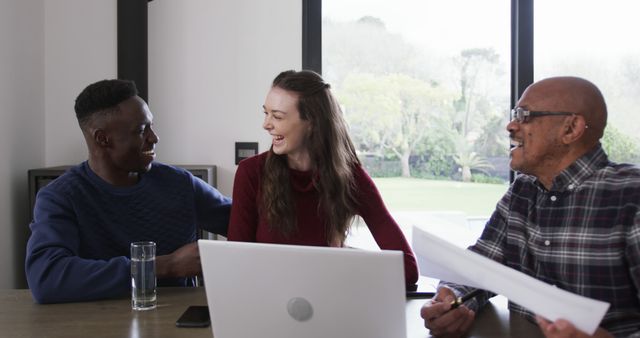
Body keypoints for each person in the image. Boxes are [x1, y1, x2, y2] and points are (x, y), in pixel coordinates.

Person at [419, 76, 640, 338]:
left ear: (571, 128)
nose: (511, 126)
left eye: (524, 115)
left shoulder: (630, 196)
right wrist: (452, 299)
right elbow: (479, 267)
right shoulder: (522, 191)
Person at [25, 79, 232, 304]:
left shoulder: (179, 183)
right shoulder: (60, 197)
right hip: (96, 324)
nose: (154, 138)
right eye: (142, 130)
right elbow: (46, 278)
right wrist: (164, 266)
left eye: (151, 127)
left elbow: (247, 222)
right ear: (103, 139)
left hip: (177, 320)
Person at [227, 70, 419, 285]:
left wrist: (341, 264)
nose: (266, 124)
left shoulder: (351, 177)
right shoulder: (251, 173)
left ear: (312, 122)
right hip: (266, 302)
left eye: (278, 116)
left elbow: (408, 269)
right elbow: (238, 265)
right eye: (266, 113)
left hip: (327, 305)